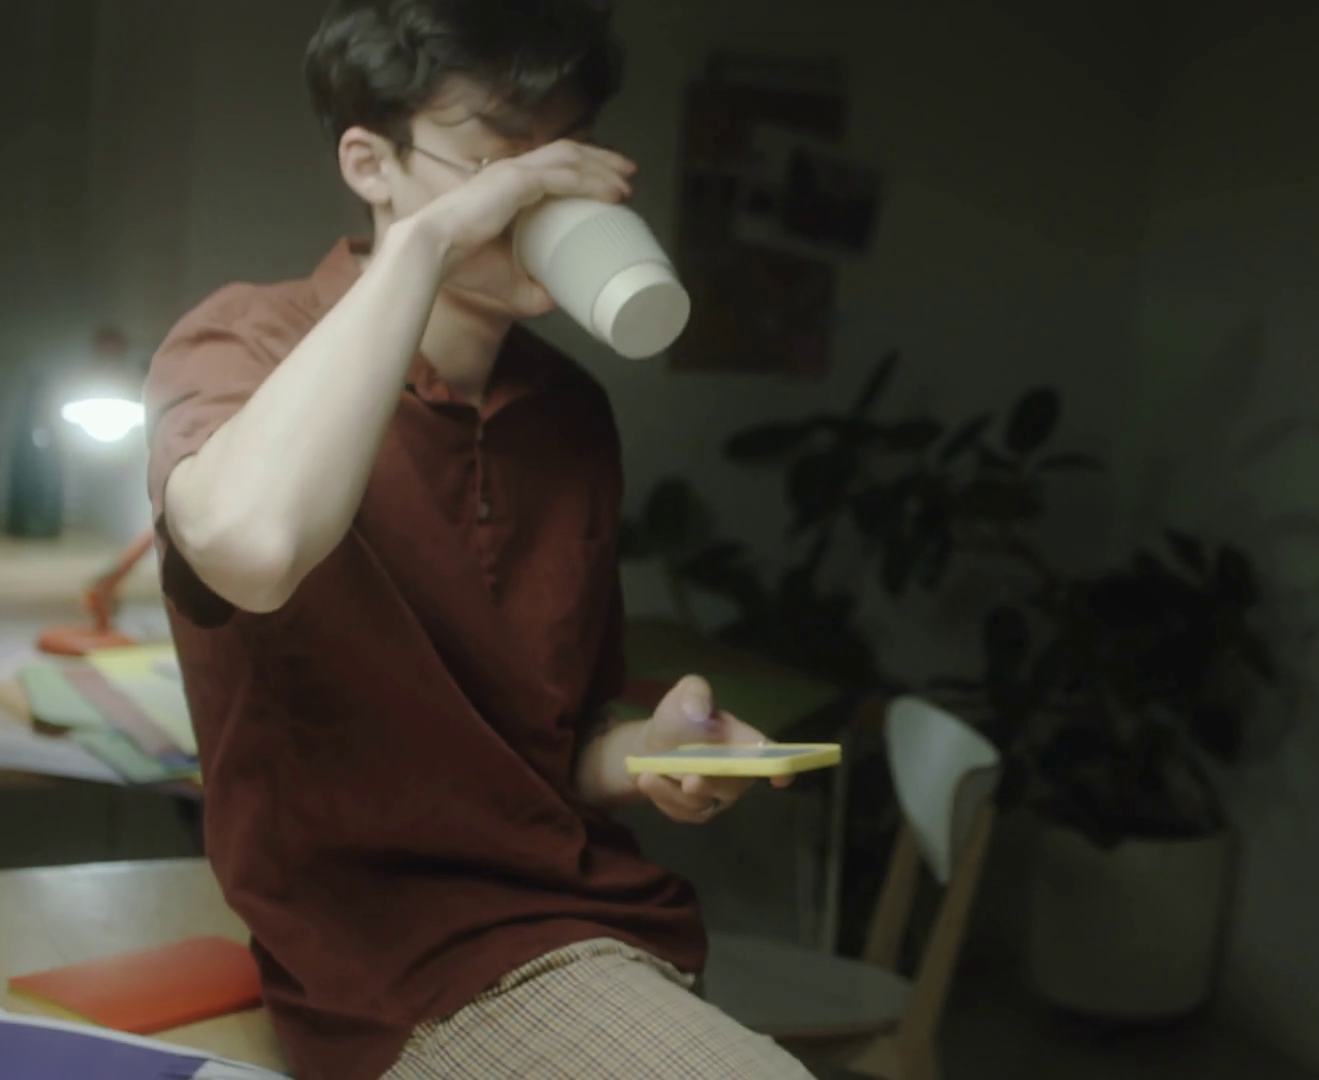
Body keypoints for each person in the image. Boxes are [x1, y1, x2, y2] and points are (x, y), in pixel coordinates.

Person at [142, 2, 818, 1077]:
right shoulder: (246, 342)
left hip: (599, 920)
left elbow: (554, 746)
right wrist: (430, 241)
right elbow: (253, 548)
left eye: (568, 153)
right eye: (506, 160)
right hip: (393, 958)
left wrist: (653, 754)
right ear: (370, 163)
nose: (541, 194)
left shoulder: (569, 412)